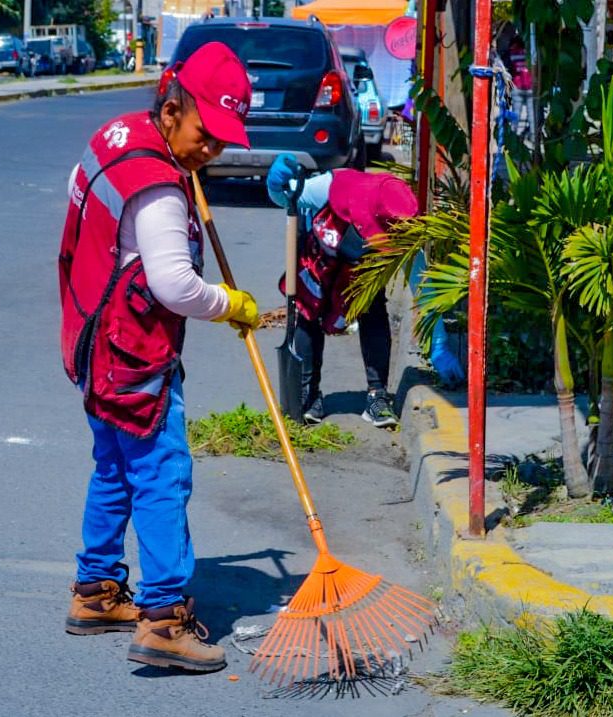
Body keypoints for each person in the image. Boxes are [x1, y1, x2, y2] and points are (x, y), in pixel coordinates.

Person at [58, 41, 258, 673]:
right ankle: (164, 617)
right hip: (135, 355)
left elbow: (80, 200)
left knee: (114, 468)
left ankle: (95, 592)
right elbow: (175, 286)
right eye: (206, 134)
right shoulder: (162, 190)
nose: (212, 152)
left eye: (223, 143)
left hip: (94, 343)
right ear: (172, 108)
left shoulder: (118, 136)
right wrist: (231, 303)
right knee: (162, 475)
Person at [267, 156, 457, 427]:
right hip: (321, 257)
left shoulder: (405, 223)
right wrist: (276, 183)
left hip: (363, 273)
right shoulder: (330, 187)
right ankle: (308, 392)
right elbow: (284, 197)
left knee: (373, 309)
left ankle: (377, 396)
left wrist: (439, 345)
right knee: (309, 312)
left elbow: (425, 290)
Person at [507, 36, 534, 139]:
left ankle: (513, 135)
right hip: (530, 86)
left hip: (517, 87)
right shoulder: (529, 53)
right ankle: (533, 136)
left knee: (515, 112)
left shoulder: (512, 53)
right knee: (532, 114)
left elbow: (510, 67)